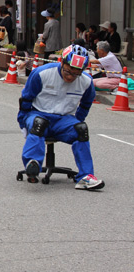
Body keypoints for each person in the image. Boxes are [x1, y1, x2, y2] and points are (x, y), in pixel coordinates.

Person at [18, 45, 104, 190]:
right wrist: (23, 123)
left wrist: (78, 121)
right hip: (38, 114)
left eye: (76, 74)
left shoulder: (86, 81)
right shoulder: (41, 73)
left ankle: (85, 177)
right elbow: (26, 99)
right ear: (61, 62)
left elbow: (86, 104)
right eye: (68, 71)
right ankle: (33, 164)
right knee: (39, 123)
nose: (70, 77)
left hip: (64, 120)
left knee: (81, 129)